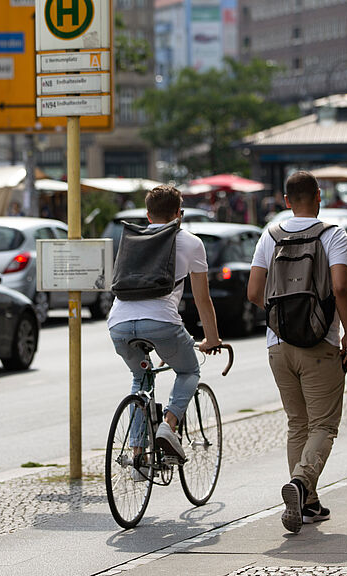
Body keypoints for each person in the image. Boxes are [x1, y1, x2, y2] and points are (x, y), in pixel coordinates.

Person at [247, 171, 347, 533]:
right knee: (324, 424)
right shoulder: (333, 235)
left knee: (298, 424)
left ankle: (308, 505)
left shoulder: (270, 235)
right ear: (319, 196)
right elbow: (340, 287)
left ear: (286, 199)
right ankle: (301, 484)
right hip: (319, 343)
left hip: (278, 344)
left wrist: (284, 317)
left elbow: (253, 293)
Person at [107, 185, 222, 465]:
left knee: (140, 378)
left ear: (148, 215)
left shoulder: (132, 240)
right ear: (178, 214)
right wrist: (212, 339)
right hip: (162, 324)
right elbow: (202, 299)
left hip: (118, 325)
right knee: (189, 370)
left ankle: (137, 456)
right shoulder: (192, 243)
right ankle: (167, 427)